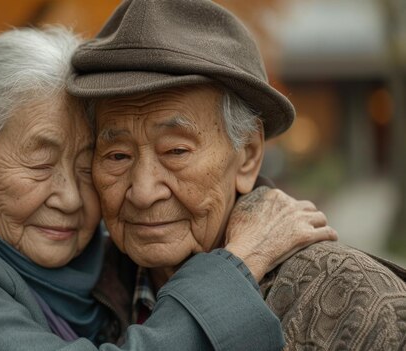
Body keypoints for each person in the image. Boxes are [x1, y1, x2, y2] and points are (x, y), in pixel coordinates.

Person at [0, 26, 331, 351]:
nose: (68, 198)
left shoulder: (109, 264)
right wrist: (236, 266)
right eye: (40, 161)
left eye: (91, 164)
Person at [67, 0, 406, 349]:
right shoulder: (72, 287)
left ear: (248, 155)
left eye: (176, 151)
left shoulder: (354, 302)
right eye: (118, 155)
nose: (143, 191)